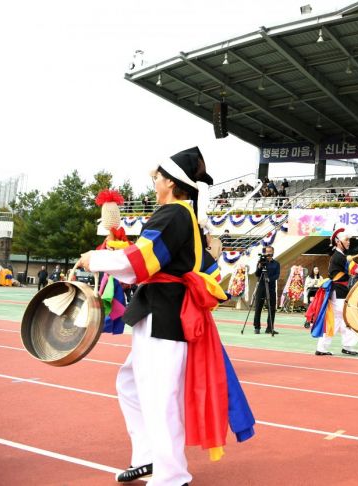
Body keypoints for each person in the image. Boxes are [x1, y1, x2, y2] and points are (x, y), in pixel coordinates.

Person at [76, 146, 254, 485]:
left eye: (157, 178)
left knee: (160, 395)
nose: (154, 184)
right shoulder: (182, 216)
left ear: (170, 183)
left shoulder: (172, 214)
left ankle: (171, 474)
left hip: (166, 313)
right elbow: (157, 262)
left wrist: (95, 260)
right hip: (163, 309)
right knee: (131, 384)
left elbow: (140, 262)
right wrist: (120, 251)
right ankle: (150, 458)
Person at [310, 228, 358, 356]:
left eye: (349, 240)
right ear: (338, 242)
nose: (349, 242)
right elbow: (355, 269)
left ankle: (327, 347)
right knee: (348, 318)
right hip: (339, 292)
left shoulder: (339, 256)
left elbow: (353, 268)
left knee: (340, 320)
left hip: (339, 291)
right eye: (346, 240)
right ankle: (343, 346)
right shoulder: (339, 257)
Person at [253, 245, 280, 335]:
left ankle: (270, 328)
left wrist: (269, 279)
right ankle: (257, 327)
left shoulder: (276, 263)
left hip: (271, 287)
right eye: (266, 251)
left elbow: (277, 275)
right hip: (261, 287)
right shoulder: (261, 262)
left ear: (272, 252)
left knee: (272, 308)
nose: (268, 253)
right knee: (258, 307)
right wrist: (260, 266)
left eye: (270, 251)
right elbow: (257, 274)